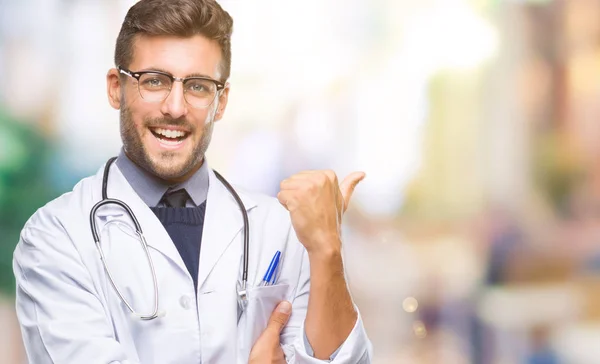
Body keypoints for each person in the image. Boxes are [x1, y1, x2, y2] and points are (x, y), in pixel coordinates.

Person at [12, 0, 372, 363]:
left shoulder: (279, 229)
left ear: (221, 101)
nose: (175, 107)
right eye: (154, 81)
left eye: (198, 86)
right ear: (115, 88)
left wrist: (328, 251)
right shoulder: (56, 238)